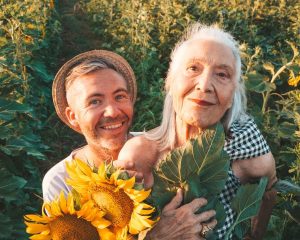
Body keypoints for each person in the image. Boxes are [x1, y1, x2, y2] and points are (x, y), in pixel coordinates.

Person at [115, 23, 277, 240]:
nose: (205, 85)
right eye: (193, 68)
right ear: (171, 82)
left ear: (232, 96)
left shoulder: (247, 154)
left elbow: (269, 193)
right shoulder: (139, 156)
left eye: (222, 74)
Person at [42, 50, 217, 237]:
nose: (112, 112)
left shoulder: (162, 149)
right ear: (73, 117)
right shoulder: (61, 181)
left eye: (119, 97)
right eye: (95, 101)